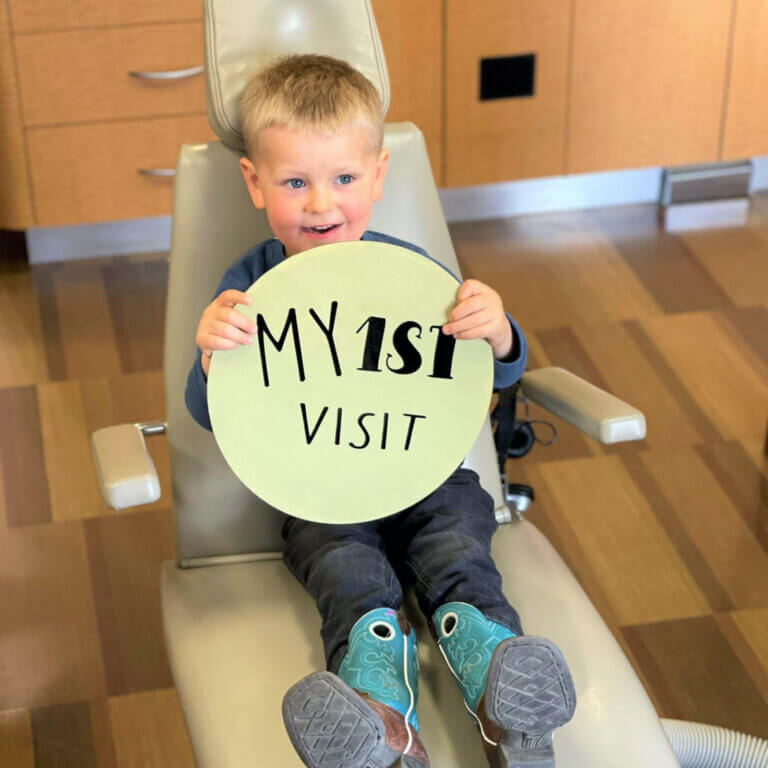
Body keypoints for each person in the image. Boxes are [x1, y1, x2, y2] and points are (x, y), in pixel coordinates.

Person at [185, 53, 575, 768]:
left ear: (377, 176)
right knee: (346, 572)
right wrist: (213, 354)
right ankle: (379, 720)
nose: (321, 205)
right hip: (318, 487)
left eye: (342, 179)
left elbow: (494, 370)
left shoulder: (408, 276)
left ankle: (499, 683)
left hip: (425, 472)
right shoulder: (247, 291)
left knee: (457, 549)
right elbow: (210, 414)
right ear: (254, 182)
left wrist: (500, 332)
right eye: (294, 182)